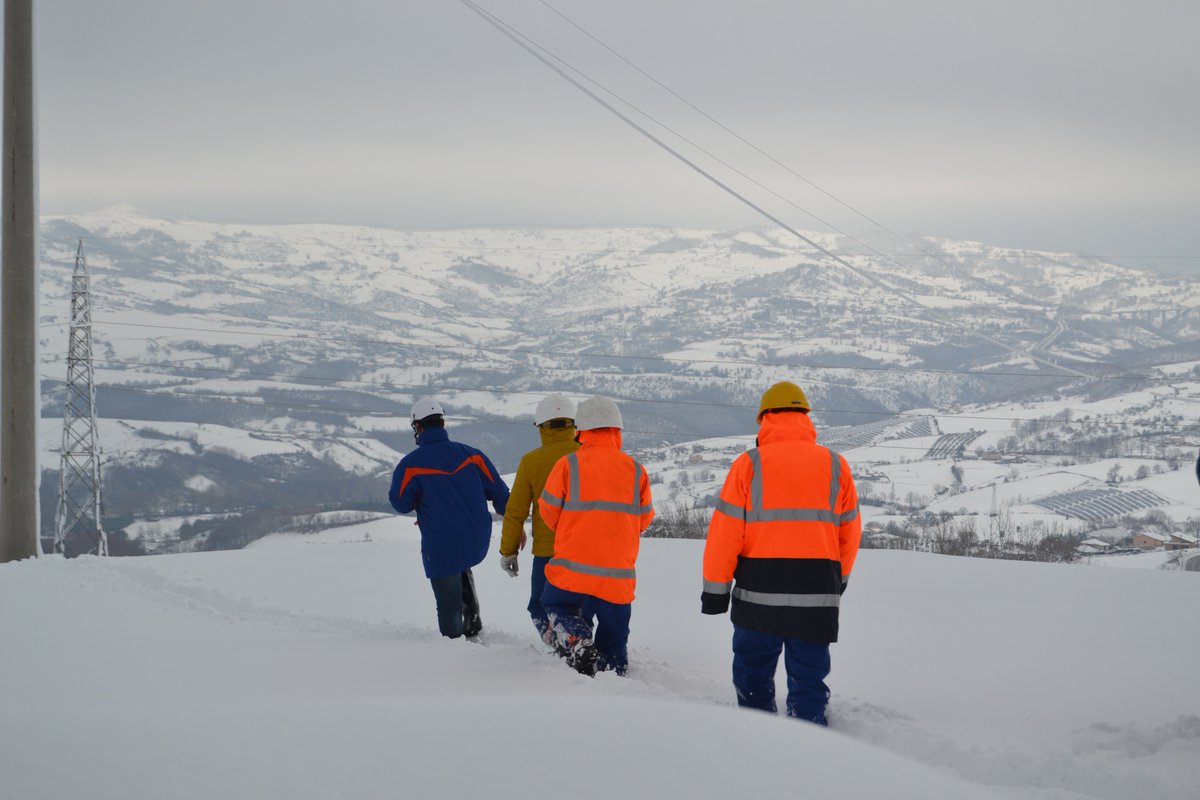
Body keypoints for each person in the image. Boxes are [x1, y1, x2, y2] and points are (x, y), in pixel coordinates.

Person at [701, 381, 861, 725]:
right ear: (805, 417)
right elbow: (849, 532)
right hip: (816, 596)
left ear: (766, 419)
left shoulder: (748, 464)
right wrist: (839, 580)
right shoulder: (836, 464)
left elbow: (724, 535)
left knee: (753, 674)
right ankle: (808, 742)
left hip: (758, 596)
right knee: (809, 678)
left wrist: (715, 592)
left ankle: (758, 740)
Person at [538, 396, 653, 676]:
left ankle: (578, 639)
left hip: (573, 568)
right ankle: (613, 674)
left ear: (581, 431)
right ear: (617, 431)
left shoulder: (568, 465)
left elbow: (548, 511)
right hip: (618, 574)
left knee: (555, 604)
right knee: (614, 632)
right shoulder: (635, 470)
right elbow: (645, 518)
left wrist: (570, 529)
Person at [389, 398, 510, 640]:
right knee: (461, 562)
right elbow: (500, 494)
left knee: (447, 600)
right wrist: (515, 524)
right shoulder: (472, 455)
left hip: (442, 541)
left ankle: (454, 646)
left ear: (418, 427)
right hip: (477, 537)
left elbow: (400, 503)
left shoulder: (411, 465)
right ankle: (473, 624)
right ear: (442, 423)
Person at [498, 393, 582, 645]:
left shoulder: (531, 462)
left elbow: (516, 512)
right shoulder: (588, 455)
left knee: (539, 605)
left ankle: (562, 647)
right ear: (573, 423)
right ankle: (580, 643)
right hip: (588, 549)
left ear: (541, 426)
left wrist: (508, 551)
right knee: (580, 606)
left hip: (548, 551)